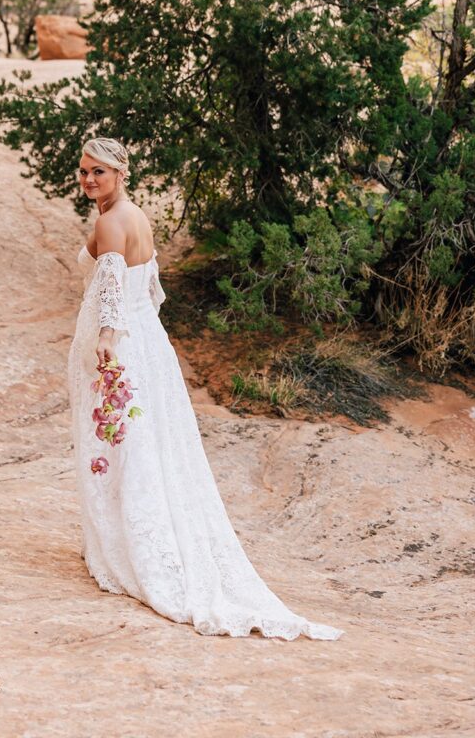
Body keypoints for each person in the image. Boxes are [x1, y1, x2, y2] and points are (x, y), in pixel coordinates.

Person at [66, 136, 344, 641]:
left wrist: (106, 344)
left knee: (121, 443)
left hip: (123, 349)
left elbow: (109, 297)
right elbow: (145, 289)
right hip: (148, 341)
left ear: (120, 173)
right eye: (83, 171)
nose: (88, 180)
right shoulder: (134, 216)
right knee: (148, 445)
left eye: (98, 173)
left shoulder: (110, 221)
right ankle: (132, 537)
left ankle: (129, 549)